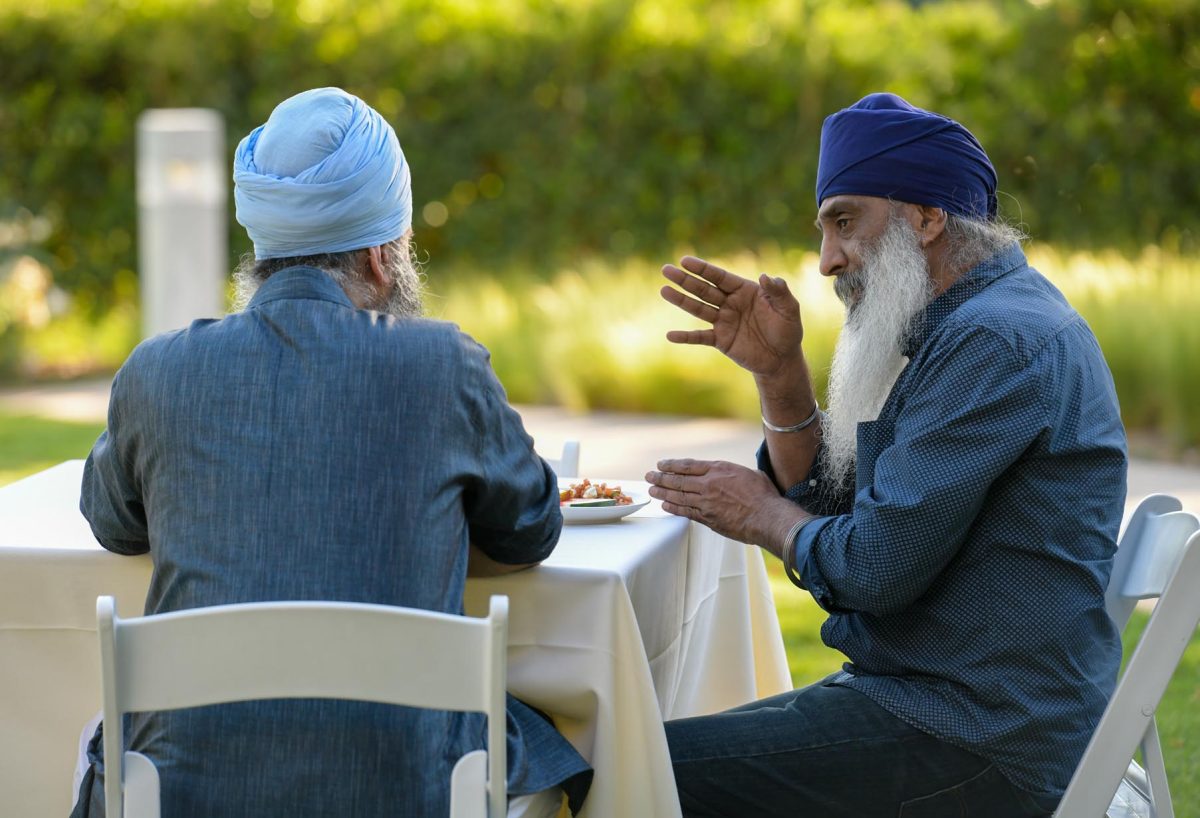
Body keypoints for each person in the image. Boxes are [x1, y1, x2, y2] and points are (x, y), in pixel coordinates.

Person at [71, 87, 590, 818]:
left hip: (189, 790)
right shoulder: (443, 363)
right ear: (381, 256)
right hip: (406, 788)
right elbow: (531, 529)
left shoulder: (157, 371)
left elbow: (114, 523)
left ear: (263, 250)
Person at [646, 92, 1127, 817]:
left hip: (977, 738)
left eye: (844, 222)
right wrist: (780, 376)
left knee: (626, 773)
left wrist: (761, 515)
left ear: (927, 218)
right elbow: (849, 511)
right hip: (934, 703)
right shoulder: (968, 323)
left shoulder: (993, 341)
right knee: (633, 752)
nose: (825, 261)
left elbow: (872, 567)